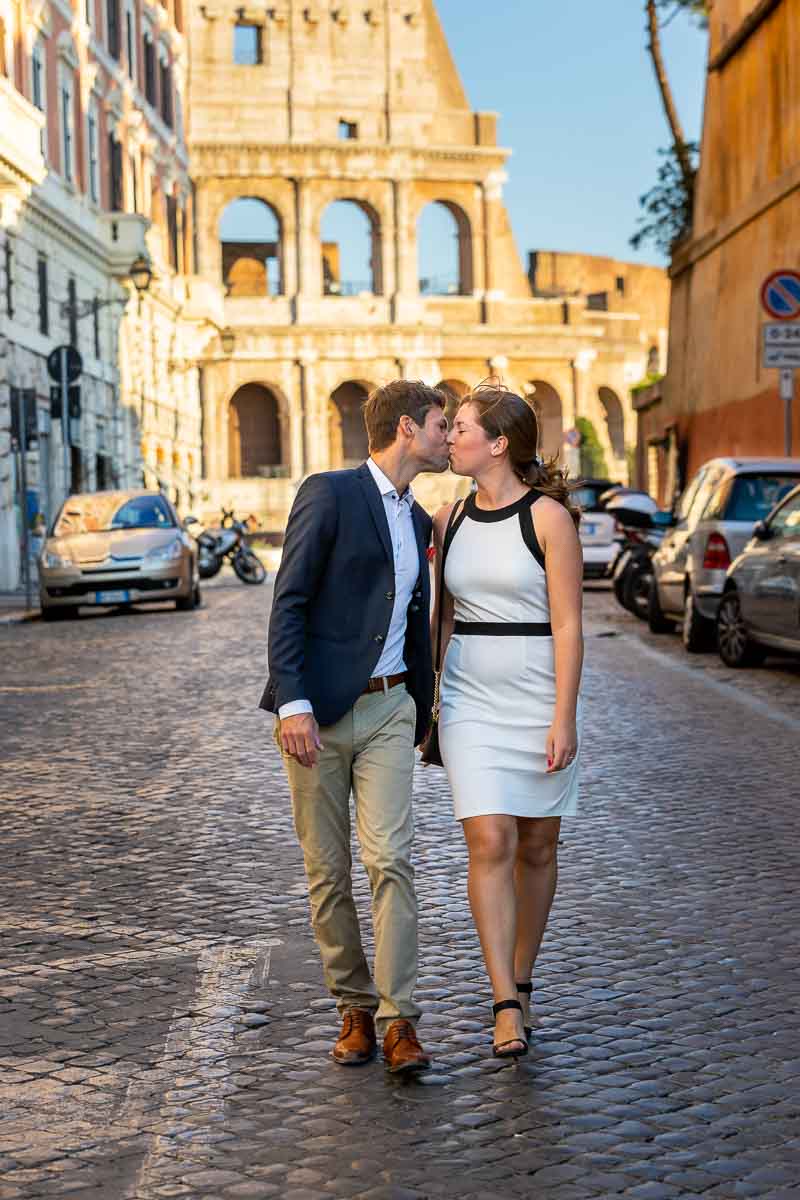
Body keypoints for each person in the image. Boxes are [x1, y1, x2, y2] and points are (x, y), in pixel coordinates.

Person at [260, 380, 450, 1074]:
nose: (446, 436)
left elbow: (419, 625)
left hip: (391, 709)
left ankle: (401, 1021)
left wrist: (427, 711)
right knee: (327, 873)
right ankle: (354, 1007)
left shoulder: (423, 521)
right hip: (317, 714)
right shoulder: (330, 493)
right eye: (439, 425)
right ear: (406, 428)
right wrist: (292, 703)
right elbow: (290, 601)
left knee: (390, 860)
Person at [432, 383, 584, 1058]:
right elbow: (440, 617)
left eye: (460, 427)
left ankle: (523, 979)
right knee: (490, 840)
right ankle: (502, 1002)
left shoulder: (548, 518)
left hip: (536, 695)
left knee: (537, 847)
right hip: (470, 697)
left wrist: (564, 716)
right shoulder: (449, 519)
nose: (450, 437)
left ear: (498, 443)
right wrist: (432, 700)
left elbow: (569, 625)